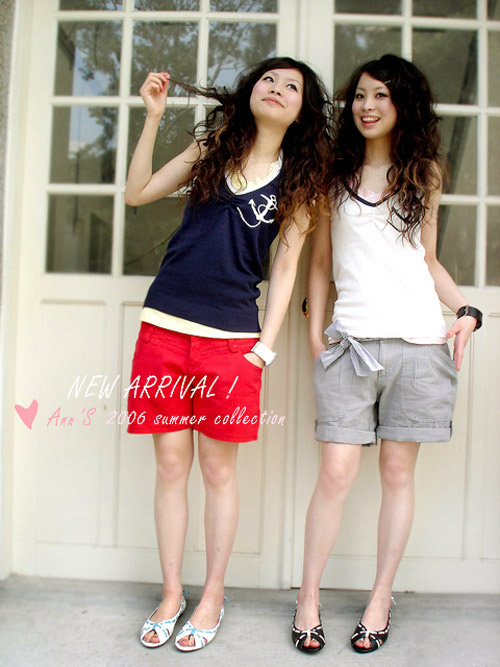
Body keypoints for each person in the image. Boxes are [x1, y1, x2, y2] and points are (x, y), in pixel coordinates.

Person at [124, 57, 331, 652]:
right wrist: (152, 118)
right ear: (250, 91)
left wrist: (264, 348)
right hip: (164, 327)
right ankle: (171, 592)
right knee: (170, 467)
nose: (278, 89)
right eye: (269, 79)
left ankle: (213, 593)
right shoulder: (212, 148)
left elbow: (286, 268)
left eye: (292, 86)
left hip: (233, 342)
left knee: (218, 472)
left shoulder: (299, 180)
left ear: (301, 111)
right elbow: (136, 194)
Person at [292, 54, 482, 654]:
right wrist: (315, 333)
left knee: (398, 475)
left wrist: (467, 311)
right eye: (360, 95)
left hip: (420, 344)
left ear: (403, 105)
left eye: (381, 95)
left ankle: (380, 599)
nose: (367, 106)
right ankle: (308, 599)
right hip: (350, 345)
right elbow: (319, 263)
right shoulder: (333, 174)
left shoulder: (424, 173)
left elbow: (428, 261)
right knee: (336, 473)